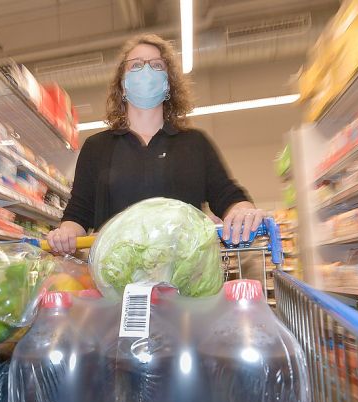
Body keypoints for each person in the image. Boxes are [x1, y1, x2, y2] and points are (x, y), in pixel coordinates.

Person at [46, 33, 266, 254]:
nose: (146, 71)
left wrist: (242, 211)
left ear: (168, 85)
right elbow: (79, 213)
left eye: (157, 65)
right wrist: (66, 233)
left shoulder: (195, 143)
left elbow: (229, 196)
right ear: (122, 86)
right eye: (136, 65)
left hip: (184, 275)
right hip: (117, 276)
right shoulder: (97, 147)